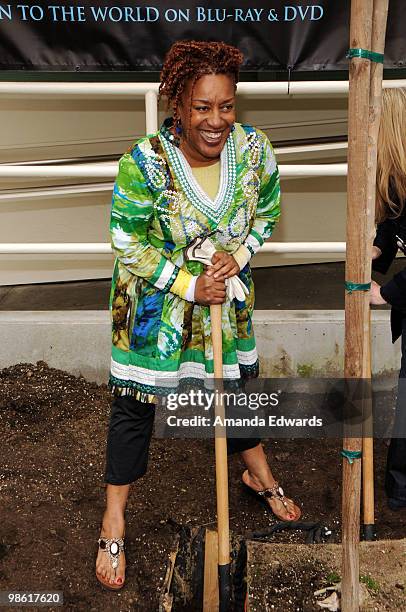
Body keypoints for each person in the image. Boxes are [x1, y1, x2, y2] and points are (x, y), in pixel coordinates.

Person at [95, 40, 301, 590]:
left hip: (224, 303)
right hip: (153, 308)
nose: (216, 121)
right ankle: (114, 519)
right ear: (179, 106)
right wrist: (189, 283)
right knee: (135, 407)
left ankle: (259, 478)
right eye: (202, 107)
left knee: (235, 393)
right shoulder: (144, 162)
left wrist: (242, 253)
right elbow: (126, 242)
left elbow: (269, 212)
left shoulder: (255, 151)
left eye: (226, 106)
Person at [370, 87, 406, 511]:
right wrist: (380, 250)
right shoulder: (396, 178)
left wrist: (388, 293)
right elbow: (393, 224)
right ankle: (398, 488)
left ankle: (399, 487)